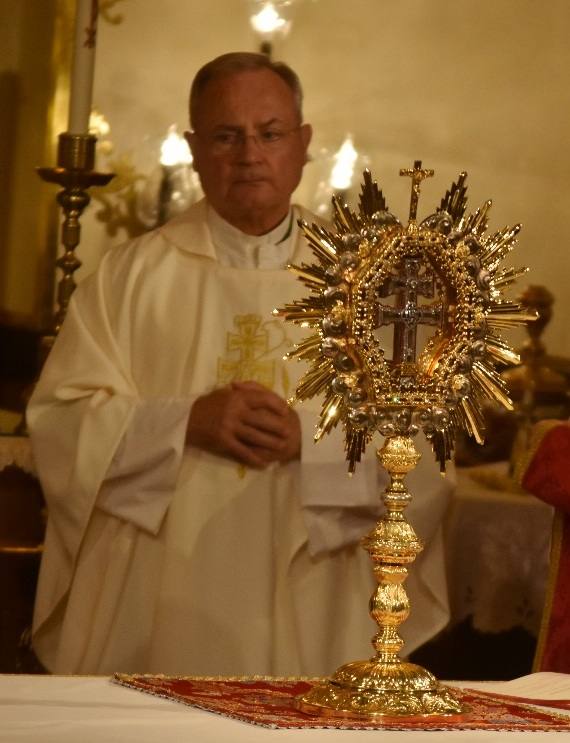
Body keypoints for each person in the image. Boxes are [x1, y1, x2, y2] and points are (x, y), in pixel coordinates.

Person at [27, 52, 453, 676]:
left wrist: (311, 442)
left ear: (303, 143)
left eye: (269, 133)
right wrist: (185, 422)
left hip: (316, 587)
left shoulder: (369, 285)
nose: (249, 153)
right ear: (196, 149)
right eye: (226, 136)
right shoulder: (129, 277)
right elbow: (61, 424)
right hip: (157, 594)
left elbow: (425, 451)